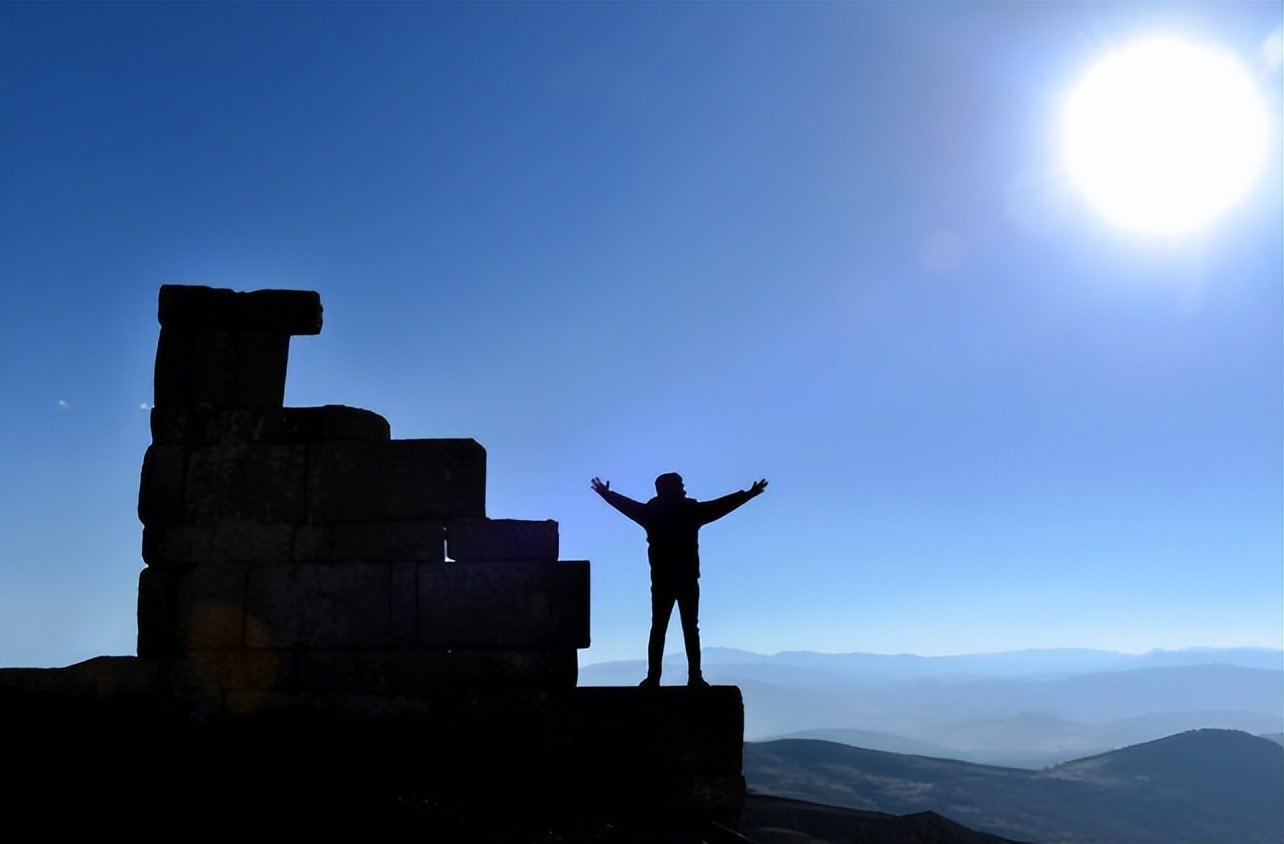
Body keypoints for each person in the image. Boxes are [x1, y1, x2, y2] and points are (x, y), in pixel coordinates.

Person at [591, 473, 768, 687]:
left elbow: (627, 506)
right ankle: (694, 677)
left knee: (659, 629)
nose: (684, 488)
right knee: (689, 629)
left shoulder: (652, 513)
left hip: (663, 580)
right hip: (686, 579)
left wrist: (606, 494)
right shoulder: (689, 512)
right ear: (671, 488)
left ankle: (655, 678)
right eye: (680, 484)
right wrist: (747, 495)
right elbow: (720, 507)